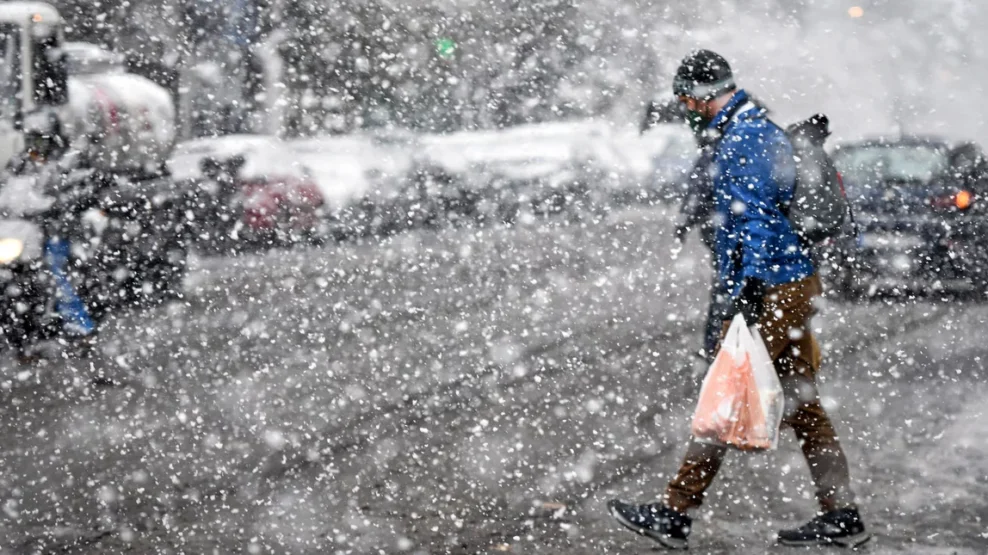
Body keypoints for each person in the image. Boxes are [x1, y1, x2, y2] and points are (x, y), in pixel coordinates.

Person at [608, 50, 871, 549]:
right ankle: (843, 515)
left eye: (687, 97)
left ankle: (674, 513)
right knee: (803, 404)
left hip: (775, 288)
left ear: (706, 95)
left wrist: (749, 287)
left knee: (727, 393)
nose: (685, 107)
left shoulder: (745, 139)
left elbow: (757, 221)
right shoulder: (751, 131)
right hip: (790, 284)